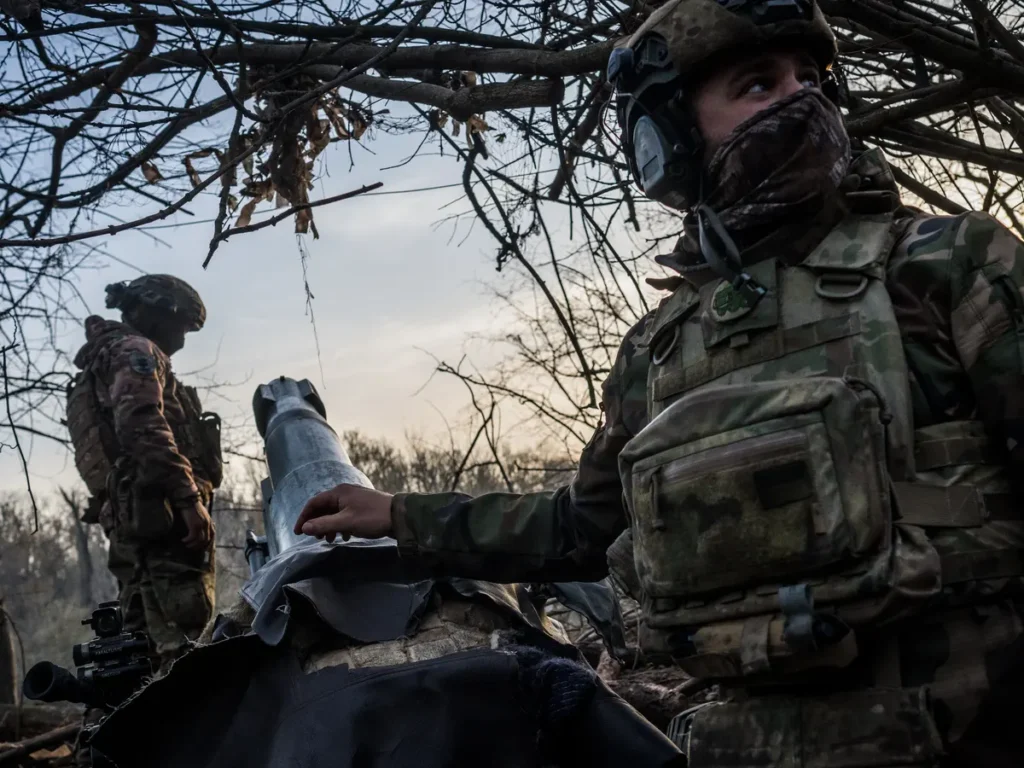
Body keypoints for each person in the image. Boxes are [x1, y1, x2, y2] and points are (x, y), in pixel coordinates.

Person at [294, 1, 1024, 765]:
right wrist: (402, 516)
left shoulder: (948, 262)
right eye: (757, 83)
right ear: (669, 136)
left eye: (812, 77)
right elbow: (582, 529)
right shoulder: (660, 347)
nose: (801, 97)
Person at [67, 274, 222, 672]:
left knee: (138, 650)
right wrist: (187, 498)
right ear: (154, 314)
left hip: (135, 523)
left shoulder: (102, 361)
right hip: (163, 519)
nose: (183, 340)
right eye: (181, 326)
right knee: (183, 643)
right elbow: (141, 425)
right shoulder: (136, 351)